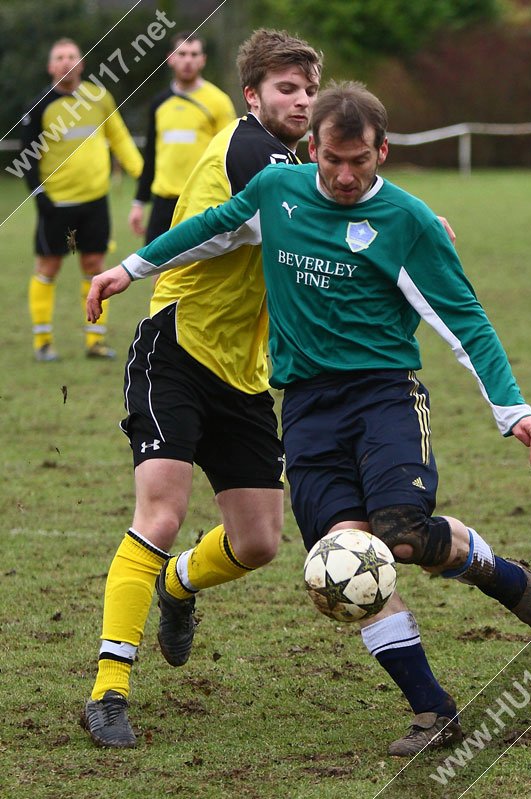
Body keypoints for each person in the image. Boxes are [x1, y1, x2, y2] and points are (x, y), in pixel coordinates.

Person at [88, 80, 531, 757]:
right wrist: (129, 268)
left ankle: (507, 577)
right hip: (308, 407)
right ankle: (433, 710)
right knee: (340, 562)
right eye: (331, 161)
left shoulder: (405, 222)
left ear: (382, 151)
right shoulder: (276, 194)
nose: (345, 177)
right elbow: (210, 227)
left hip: (384, 398)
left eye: (360, 162)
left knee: (401, 534)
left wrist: (513, 409)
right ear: (310, 151)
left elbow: (464, 321)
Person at [80, 29, 323, 750]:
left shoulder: (295, 161)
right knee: (160, 512)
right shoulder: (252, 149)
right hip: (176, 348)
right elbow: (275, 226)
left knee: (257, 542)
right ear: (253, 96)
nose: (301, 100)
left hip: (242, 374)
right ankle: (108, 691)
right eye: (286, 88)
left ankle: (179, 584)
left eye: (309, 89)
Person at [22, 38, 143, 361]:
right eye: (59, 57)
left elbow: (118, 137)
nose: (65, 62)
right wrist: (40, 195)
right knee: (49, 267)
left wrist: (142, 176)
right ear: (51, 66)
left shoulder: (99, 97)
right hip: (57, 204)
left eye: (71, 56)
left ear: (82, 63)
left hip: (95, 202)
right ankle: (43, 341)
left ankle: (95, 341)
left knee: (95, 267)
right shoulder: (40, 107)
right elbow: (26, 159)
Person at [128, 31, 236, 244]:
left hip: (201, 201)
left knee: (194, 272)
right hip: (163, 202)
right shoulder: (159, 103)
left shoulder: (219, 102)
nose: (188, 60)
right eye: (183, 53)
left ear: (203, 60)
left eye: (194, 54)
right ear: (171, 58)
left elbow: (230, 154)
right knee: (157, 272)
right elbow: (151, 155)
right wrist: (139, 202)